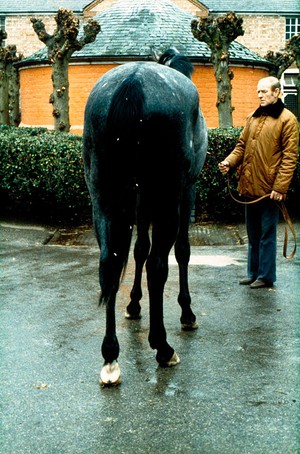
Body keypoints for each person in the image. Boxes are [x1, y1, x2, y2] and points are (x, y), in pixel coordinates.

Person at [219, 76, 299, 289]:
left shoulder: (288, 120)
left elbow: (290, 157)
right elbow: (241, 146)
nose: (260, 95)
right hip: (249, 187)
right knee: (253, 235)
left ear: (277, 92)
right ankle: (253, 273)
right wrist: (229, 162)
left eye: (264, 91)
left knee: (266, 235)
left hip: (270, 191)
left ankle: (265, 276)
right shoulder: (253, 117)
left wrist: (280, 188)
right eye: (258, 92)